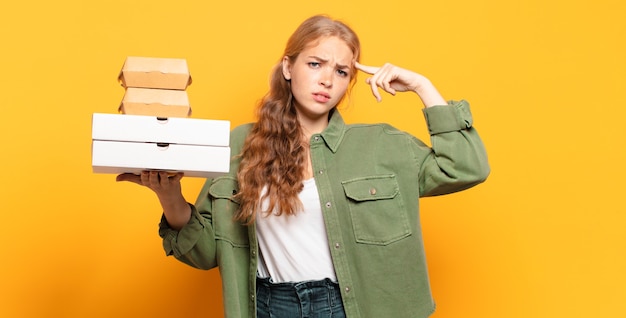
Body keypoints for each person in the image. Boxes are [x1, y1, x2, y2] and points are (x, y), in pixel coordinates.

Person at [117, 14, 489, 318]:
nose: (327, 79)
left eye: (342, 72)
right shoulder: (240, 144)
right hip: (268, 307)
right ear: (288, 67)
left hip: (350, 308)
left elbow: (466, 166)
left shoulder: (382, 144)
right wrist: (169, 197)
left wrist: (423, 86)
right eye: (315, 63)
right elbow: (206, 253)